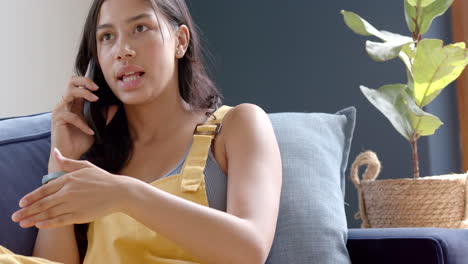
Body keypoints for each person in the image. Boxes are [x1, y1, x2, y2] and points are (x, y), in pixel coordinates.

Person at [3, 0, 282, 263]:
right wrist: (61, 160)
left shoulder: (237, 125)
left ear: (180, 41)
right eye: (107, 37)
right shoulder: (96, 153)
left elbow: (250, 249)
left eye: (140, 28)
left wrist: (126, 194)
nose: (122, 50)